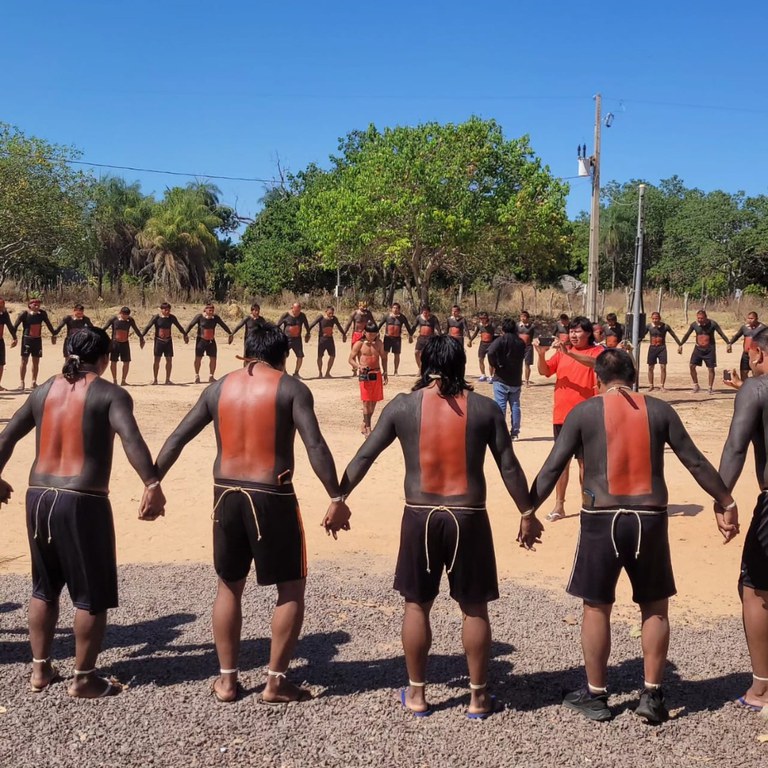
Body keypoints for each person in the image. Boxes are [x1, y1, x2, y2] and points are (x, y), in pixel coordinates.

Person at [530, 349, 736, 724]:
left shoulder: (585, 412)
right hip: (650, 518)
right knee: (654, 605)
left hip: (601, 518)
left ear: (597, 378)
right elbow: (694, 460)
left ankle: (595, 695)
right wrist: (726, 500)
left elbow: (553, 466)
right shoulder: (659, 411)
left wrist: (528, 511)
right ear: (634, 374)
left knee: (596, 606)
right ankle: (653, 695)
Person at [339, 335, 540, 718]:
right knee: (474, 608)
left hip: (420, 514)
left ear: (421, 360)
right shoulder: (483, 409)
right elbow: (509, 467)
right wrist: (527, 512)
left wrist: (339, 498)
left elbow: (365, 455)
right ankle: (478, 699)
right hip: (468, 516)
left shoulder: (403, 406)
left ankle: (416, 694)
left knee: (417, 605)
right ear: (462, 363)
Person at [153, 324, 351, 704]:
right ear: (283, 355)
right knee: (291, 585)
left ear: (245, 352)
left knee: (229, 585)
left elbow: (178, 437)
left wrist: (152, 481)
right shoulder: (290, 388)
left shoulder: (217, 388)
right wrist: (336, 495)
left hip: (224, 492)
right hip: (270, 494)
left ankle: (227, 681)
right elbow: (315, 445)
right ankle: (275, 683)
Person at [0, 327, 166, 698]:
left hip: (38, 496)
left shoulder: (42, 391)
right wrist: (152, 484)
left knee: (44, 589)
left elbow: (6, 437)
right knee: (91, 593)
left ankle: (40, 671)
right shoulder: (110, 394)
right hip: (82, 500)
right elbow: (131, 438)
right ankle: (84, 677)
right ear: (106, 358)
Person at [718, 326, 768, 711]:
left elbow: (736, 446)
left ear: (758, 355)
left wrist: (723, 498)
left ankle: (762, 688)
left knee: (754, 588)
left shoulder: (757, 388)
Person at [534, 316, 604, 522]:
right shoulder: (562, 352)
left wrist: (569, 353)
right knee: (561, 463)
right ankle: (559, 506)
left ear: (589, 333)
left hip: (587, 416)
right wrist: (541, 355)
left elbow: (596, 363)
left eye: (578, 331)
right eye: (571, 331)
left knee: (585, 465)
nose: (573, 335)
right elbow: (545, 371)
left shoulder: (596, 351)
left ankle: (587, 505)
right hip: (561, 416)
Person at [487, 319, 526, 440]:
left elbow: (490, 352)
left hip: (501, 378)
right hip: (516, 379)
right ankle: (515, 433)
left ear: (503, 329)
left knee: (500, 406)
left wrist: (495, 364)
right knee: (515, 406)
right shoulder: (520, 342)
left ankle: (500, 432)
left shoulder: (500, 340)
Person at [349, 321, 388, 437]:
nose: (372, 336)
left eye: (374, 334)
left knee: (374, 401)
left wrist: (385, 372)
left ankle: (365, 423)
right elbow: (350, 359)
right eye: (370, 334)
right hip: (364, 374)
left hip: (376, 373)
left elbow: (384, 358)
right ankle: (369, 428)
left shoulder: (379, 344)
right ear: (365, 332)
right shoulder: (359, 344)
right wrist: (359, 367)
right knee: (366, 401)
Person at [679, 309, 731, 394]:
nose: (700, 320)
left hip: (709, 349)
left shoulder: (712, 324)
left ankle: (710, 387)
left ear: (706, 317)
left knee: (711, 368)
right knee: (692, 366)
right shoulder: (694, 325)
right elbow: (687, 334)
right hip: (698, 349)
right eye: (698, 318)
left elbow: (721, 333)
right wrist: (680, 344)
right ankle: (696, 385)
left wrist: (728, 343)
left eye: (702, 318)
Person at [141, 302, 189, 385]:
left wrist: (185, 334)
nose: (167, 311)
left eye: (168, 310)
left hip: (168, 341)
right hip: (159, 341)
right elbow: (148, 326)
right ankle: (155, 379)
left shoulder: (172, 318)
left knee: (169, 360)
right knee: (157, 360)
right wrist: (141, 337)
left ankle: (168, 379)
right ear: (161, 310)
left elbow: (179, 326)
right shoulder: (156, 317)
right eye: (165, 310)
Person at [13, 299, 56, 391]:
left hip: (37, 340)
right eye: (35, 305)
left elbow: (48, 324)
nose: (37, 306)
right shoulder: (24, 314)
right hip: (27, 339)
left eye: (38, 305)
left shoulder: (42, 314)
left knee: (36, 361)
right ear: (30, 305)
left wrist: (54, 334)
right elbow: (15, 326)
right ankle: (22, 382)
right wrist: (14, 338)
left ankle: (33, 381)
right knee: (24, 361)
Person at [185, 303, 233, 384]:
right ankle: (197, 375)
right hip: (201, 340)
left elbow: (223, 325)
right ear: (205, 310)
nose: (211, 312)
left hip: (211, 341)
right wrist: (185, 334)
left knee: (213, 358)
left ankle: (211, 376)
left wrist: (230, 333)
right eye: (209, 310)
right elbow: (190, 325)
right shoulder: (199, 317)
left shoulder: (215, 318)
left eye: (212, 310)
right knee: (198, 358)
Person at [101, 306, 144, 386]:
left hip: (125, 343)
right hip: (115, 343)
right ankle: (114, 380)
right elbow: (104, 328)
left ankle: (123, 380)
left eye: (127, 315)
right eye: (124, 315)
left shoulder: (130, 320)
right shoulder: (114, 319)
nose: (125, 317)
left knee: (126, 362)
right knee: (113, 361)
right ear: (120, 313)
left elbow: (136, 329)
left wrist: (141, 337)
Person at [640, 312, 683, 392]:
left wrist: (680, 344)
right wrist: (636, 343)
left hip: (662, 348)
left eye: (656, 318)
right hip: (652, 348)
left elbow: (673, 335)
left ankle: (662, 386)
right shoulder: (649, 326)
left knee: (663, 367)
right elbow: (642, 335)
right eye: (653, 319)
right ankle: (651, 385)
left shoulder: (665, 326)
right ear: (651, 318)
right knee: (650, 367)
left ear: (659, 318)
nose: (655, 320)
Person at [308, 306, 346, 378]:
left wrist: (344, 334)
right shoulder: (321, 317)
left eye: (332, 313)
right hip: (322, 340)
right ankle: (320, 372)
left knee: (332, 355)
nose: (331, 315)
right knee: (320, 356)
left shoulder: (334, 319)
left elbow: (339, 326)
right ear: (326, 312)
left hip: (330, 339)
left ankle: (328, 372)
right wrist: (308, 332)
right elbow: (312, 324)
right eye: (329, 313)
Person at [729, 312, 766, 381]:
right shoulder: (744, 327)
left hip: (757, 355)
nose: (749, 320)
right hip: (746, 354)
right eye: (748, 318)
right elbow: (737, 336)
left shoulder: (763, 328)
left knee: (755, 372)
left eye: (752, 318)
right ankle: (745, 388)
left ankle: (756, 389)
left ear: (756, 319)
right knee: (743, 371)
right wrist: (730, 343)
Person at [276, 302, 311, 377]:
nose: (297, 313)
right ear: (292, 308)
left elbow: (306, 325)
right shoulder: (286, 315)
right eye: (295, 311)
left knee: (300, 356)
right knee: (283, 355)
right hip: (287, 339)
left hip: (297, 339)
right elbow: (278, 326)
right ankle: (284, 371)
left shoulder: (302, 316)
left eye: (298, 311)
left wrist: (308, 333)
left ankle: (296, 372)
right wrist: (279, 335)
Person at [378, 302, 413, 376]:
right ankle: (385, 371)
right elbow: (379, 325)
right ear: (391, 308)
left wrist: (410, 335)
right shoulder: (387, 316)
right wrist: (375, 333)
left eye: (397, 308)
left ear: (399, 309)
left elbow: (408, 327)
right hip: (387, 337)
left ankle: (396, 371)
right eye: (394, 308)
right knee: (384, 354)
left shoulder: (402, 317)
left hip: (397, 338)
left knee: (397, 355)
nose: (395, 309)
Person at [469, 312, 497, 382]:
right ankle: (483, 375)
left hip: (490, 344)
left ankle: (491, 376)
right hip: (482, 344)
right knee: (480, 359)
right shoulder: (479, 325)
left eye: (483, 318)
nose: (482, 320)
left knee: (491, 361)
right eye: (480, 318)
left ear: (487, 318)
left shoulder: (491, 325)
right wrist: (470, 340)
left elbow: (497, 332)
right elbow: (475, 333)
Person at [413, 306, 441, 372]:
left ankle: (431, 369)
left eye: (426, 312)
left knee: (430, 354)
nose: (425, 313)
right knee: (416, 352)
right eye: (423, 312)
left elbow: (438, 328)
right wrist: (410, 335)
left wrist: (440, 336)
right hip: (421, 338)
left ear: (429, 312)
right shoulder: (419, 317)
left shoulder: (433, 318)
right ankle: (420, 368)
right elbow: (414, 326)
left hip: (430, 338)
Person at [0, 297, 18, 391]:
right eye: (0, 305)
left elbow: (10, 326)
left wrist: (14, 337)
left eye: (3, 305)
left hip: (0, 341)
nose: (2, 307)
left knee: (1, 364)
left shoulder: (4, 314)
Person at [517, 311, 536, 386]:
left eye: (524, 316)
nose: (523, 318)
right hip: (519, 347)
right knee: (518, 363)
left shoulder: (532, 327)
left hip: (528, 347)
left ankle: (526, 380)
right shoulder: (517, 325)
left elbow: (534, 336)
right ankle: (518, 379)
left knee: (527, 364)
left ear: (528, 318)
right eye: (521, 316)